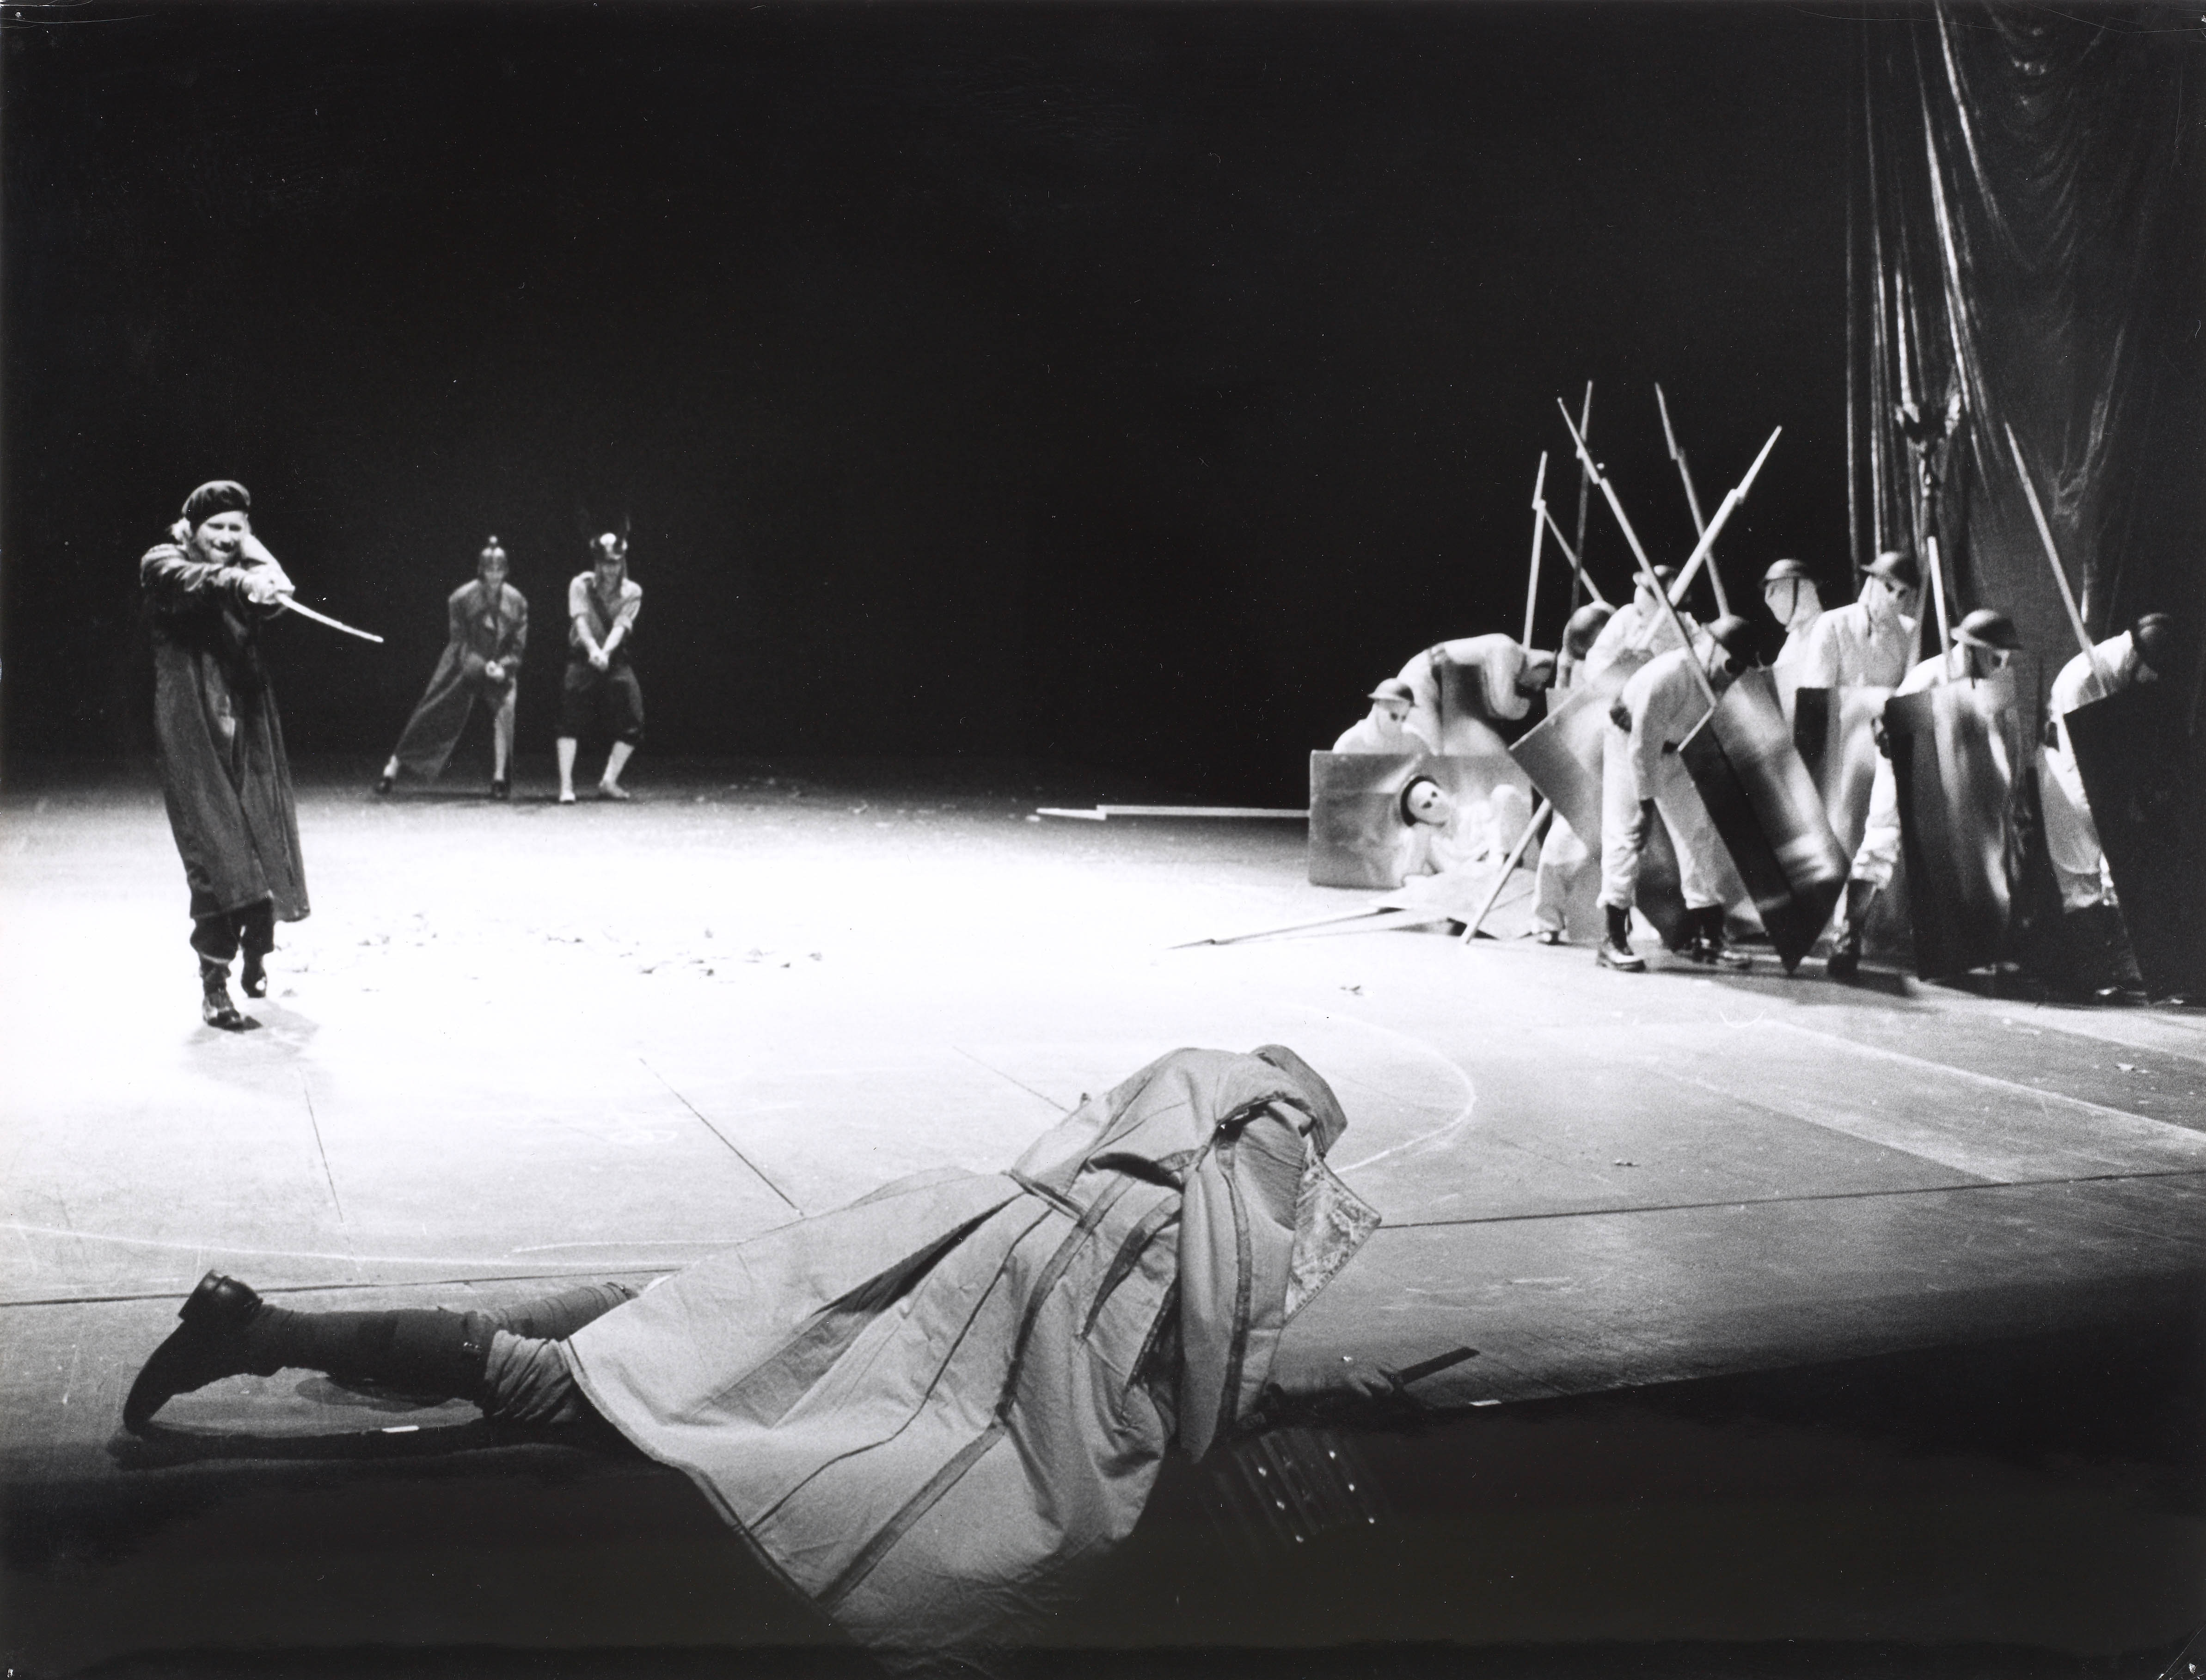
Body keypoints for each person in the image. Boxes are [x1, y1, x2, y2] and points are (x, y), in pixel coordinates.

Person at [120, 1045, 1392, 1662]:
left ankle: (316, 1334)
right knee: (585, 1387)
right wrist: (1275, 1402)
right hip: (1035, 1316)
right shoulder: (1265, 1145)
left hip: (961, 1225)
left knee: (671, 1316)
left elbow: (1068, 1157)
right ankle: (262, 1331)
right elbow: (1216, 1335)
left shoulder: (1187, 1080)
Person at [140, 481, 310, 1030]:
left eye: (237, 528)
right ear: (191, 528)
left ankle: (257, 952)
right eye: (217, 526)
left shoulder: (244, 565)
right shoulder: (163, 561)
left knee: (262, 841)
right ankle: (214, 984)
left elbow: (276, 588)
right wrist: (242, 578)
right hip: (192, 731)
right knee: (213, 855)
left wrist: (254, 561)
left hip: (248, 721)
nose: (227, 537)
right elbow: (194, 581)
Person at [1826, 607, 2022, 980]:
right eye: (1996, 656)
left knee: (1965, 854)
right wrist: (1900, 744)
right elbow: (1888, 727)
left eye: (2004, 657)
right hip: (1907, 768)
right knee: (1881, 843)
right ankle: (1847, 939)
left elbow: (2002, 739)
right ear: (1973, 650)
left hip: (1957, 775)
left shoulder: (1992, 683)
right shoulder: (1930, 676)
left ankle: (1965, 946)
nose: (2002, 664)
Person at [1595, 615, 1761, 974]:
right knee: (1626, 836)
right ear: (1712, 648)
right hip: (1628, 745)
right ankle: (1613, 939)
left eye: (1741, 670)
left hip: (1674, 752)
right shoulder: (1670, 675)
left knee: (1697, 833)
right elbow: (1642, 746)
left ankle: (1710, 936)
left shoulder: (1716, 681)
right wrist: (1645, 808)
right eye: (1732, 666)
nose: (1733, 677)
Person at [2036, 612, 2180, 991]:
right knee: (2080, 879)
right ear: (2138, 658)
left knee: (2108, 875)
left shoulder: (2117, 675)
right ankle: (2089, 970)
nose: (2154, 679)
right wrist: (2104, 815)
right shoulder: (2085, 679)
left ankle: (2117, 966)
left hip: (2097, 784)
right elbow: (2081, 758)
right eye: (2152, 671)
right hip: (2069, 780)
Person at [376, 538, 529, 799]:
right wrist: (481, 666)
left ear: (506, 571)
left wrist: (503, 668)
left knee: (506, 711)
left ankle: (499, 778)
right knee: (431, 709)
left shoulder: (517, 601)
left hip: (500, 666)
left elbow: (517, 644)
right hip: (464, 663)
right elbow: (459, 641)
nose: (494, 575)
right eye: (489, 570)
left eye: (499, 570)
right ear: (482, 570)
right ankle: (392, 769)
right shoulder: (461, 598)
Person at [1530, 602, 1616, 944]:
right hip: (1587, 766)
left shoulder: (1623, 655)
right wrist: (1565, 670)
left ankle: (1625, 927)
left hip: (1621, 766)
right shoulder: (1577, 666)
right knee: (1561, 845)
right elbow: (1562, 716)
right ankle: (1546, 919)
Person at [557, 531, 643, 803]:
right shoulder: (580, 585)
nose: (611, 569)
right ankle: (566, 786)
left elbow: (621, 627)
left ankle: (609, 781)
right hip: (583, 655)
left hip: (613, 658)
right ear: (597, 563)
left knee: (634, 720)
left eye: (616, 563)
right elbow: (580, 620)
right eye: (606, 563)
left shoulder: (633, 592)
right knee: (569, 719)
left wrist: (605, 653)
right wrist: (594, 650)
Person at [1395, 634, 1556, 754]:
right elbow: (1505, 705)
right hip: (1420, 682)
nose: (1537, 687)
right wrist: (1531, 704)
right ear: (1541, 665)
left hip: (1435, 686)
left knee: (1442, 751)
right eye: (1542, 682)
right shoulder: (1506, 649)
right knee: (1432, 751)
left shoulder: (1510, 656)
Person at [1793, 549, 1918, 691]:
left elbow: (1909, 693)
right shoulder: (1833, 624)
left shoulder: (1909, 631)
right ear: (1871, 582)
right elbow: (1817, 694)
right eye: (1889, 588)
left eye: (1902, 593)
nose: (1894, 599)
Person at [1581, 565, 1696, 683]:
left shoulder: (1688, 646)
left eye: (1642, 614)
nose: (1637, 623)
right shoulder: (1627, 615)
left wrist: (1647, 667)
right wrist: (1623, 666)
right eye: (1638, 611)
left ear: (1668, 620)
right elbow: (1592, 670)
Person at [1331, 676, 1433, 754]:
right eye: (1394, 716)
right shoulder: (1350, 743)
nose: (1399, 724)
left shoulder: (1415, 741)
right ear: (1378, 710)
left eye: (1404, 718)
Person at [1761, 558, 1824, 671]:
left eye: (1774, 590)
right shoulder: (1792, 641)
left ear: (1801, 589)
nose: (1768, 600)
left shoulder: (1826, 628)